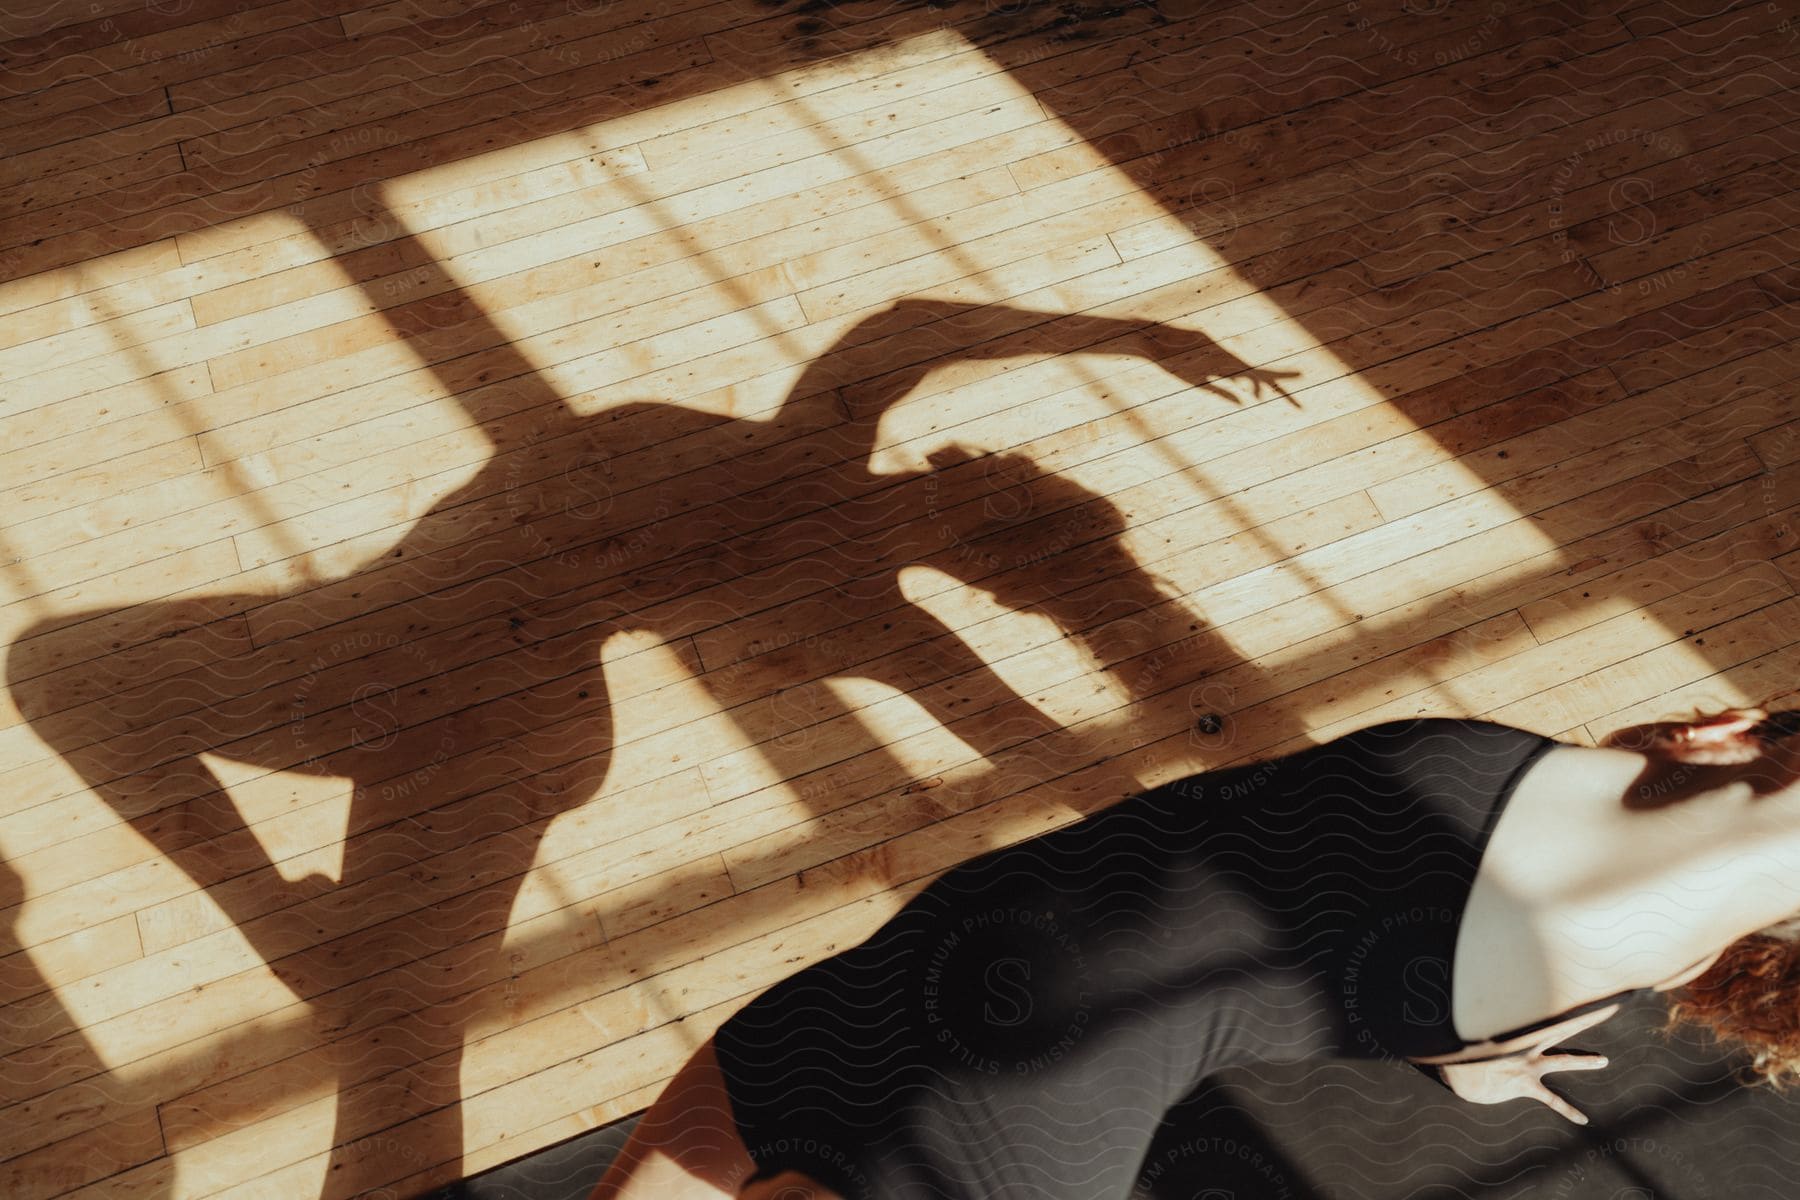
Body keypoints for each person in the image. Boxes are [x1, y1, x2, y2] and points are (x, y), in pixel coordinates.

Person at [587, 699, 1800, 1200]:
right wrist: (1468, 1055)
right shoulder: (1634, 811)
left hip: (998, 1087)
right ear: (1725, 724)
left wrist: (1473, 1049)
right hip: (912, 990)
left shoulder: (1646, 903)